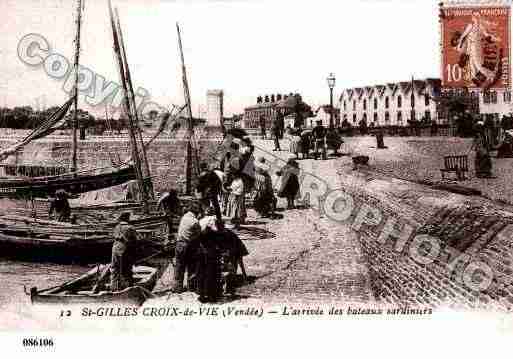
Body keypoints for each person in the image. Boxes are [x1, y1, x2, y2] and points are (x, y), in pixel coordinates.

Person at [172, 201, 202, 293]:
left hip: (179, 244)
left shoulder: (184, 217)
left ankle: (177, 287)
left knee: (179, 266)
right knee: (191, 266)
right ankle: (191, 286)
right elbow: (199, 235)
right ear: (197, 212)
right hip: (188, 245)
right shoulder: (195, 221)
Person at [196, 213, 222, 303]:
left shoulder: (201, 230)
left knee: (201, 274)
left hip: (201, 254)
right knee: (211, 274)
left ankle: (202, 295)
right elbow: (218, 243)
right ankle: (211, 295)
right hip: (210, 255)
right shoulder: (213, 233)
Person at [110, 212, 138, 292]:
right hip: (125, 249)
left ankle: (114, 288)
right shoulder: (130, 228)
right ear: (127, 219)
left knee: (115, 269)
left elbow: (114, 236)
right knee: (126, 270)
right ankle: (128, 288)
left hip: (115, 249)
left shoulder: (116, 227)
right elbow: (135, 241)